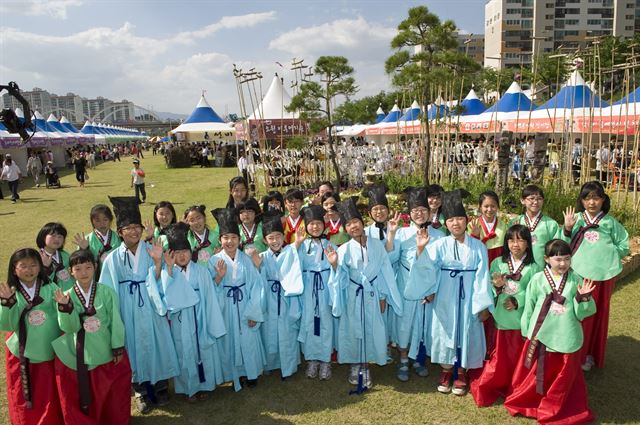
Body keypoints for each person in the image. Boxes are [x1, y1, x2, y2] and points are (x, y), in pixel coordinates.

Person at [407, 189, 493, 397]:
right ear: (446, 223)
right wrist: (420, 250)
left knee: (467, 329)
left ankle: (461, 371)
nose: (456, 224)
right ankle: (446, 371)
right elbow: (428, 268)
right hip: (445, 296)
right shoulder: (439, 244)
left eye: (460, 219)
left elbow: (483, 276)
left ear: (467, 221)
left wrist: (482, 305)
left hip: (469, 297)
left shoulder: (478, 246)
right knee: (444, 330)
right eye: (452, 220)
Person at [99, 197, 179, 414]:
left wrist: (157, 262)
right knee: (131, 346)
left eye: (137, 227)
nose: (134, 232)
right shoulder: (112, 258)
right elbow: (106, 290)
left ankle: (161, 386)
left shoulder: (153, 248)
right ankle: (139, 391)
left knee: (157, 342)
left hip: (151, 304)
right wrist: (114, 316)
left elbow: (164, 278)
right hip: (127, 307)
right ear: (120, 232)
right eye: (128, 228)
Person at [504, 239, 596, 424]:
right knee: (539, 372)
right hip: (542, 334)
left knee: (564, 375)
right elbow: (529, 306)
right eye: (558, 259)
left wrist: (583, 297)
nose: (562, 264)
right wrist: (527, 330)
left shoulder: (576, 279)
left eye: (567, 259)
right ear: (546, 259)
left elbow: (582, 313)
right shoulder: (538, 278)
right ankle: (535, 400)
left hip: (566, 333)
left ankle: (559, 404)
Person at [327, 197, 403, 391]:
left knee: (372, 328)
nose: (354, 226)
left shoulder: (377, 245)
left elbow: (385, 270)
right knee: (354, 329)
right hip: (354, 294)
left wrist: (383, 296)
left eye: (356, 222)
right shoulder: (343, 249)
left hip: (373, 293)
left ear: (363, 223)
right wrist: (335, 264)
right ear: (346, 228)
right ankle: (355, 364)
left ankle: (367, 364)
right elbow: (340, 277)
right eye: (349, 224)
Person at [52, 249, 132, 424]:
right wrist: (66, 308)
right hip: (81, 351)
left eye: (88, 267)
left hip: (104, 348)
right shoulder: (67, 296)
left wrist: (117, 346)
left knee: (109, 391)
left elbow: (116, 321)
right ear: (71, 271)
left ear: (95, 267)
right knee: (86, 391)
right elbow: (69, 326)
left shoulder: (107, 292)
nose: (84, 273)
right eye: (78, 269)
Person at [561, 181, 629, 371]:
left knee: (597, 314)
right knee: (576, 313)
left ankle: (589, 354)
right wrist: (567, 228)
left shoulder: (610, 223)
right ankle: (572, 351)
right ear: (581, 201)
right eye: (588, 198)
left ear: (603, 200)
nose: (592, 202)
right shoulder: (575, 219)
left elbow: (624, 246)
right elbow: (562, 246)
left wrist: (607, 255)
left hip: (603, 277)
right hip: (578, 274)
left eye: (596, 198)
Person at [470, 225, 540, 407]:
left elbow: (536, 293)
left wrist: (518, 301)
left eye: (521, 240)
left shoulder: (534, 267)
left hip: (520, 318)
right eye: (511, 240)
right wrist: (498, 286)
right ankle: (496, 382)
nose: (515, 244)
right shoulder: (498, 263)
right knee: (500, 355)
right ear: (506, 242)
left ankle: (516, 384)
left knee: (518, 354)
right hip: (501, 316)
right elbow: (488, 287)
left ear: (528, 243)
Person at [159, 223, 226, 402]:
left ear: (191, 252)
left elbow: (210, 295)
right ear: (171, 254)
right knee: (183, 350)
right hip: (180, 319)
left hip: (199, 315)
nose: (182, 256)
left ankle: (204, 384)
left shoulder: (201, 271)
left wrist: (210, 318)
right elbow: (164, 295)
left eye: (185, 251)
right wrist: (170, 270)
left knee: (203, 349)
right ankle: (188, 388)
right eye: (177, 252)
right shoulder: (168, 272)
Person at [0, 248, 64, 425]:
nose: (29, 270)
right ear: (14, 269)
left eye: (33, 265)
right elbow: (6, 325)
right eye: (23, 266)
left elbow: (63, 315)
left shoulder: (50, 287)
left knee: (49, 391)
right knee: (27, 394)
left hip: (49, 348)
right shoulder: (12, 292)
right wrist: (7, 304)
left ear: (40, 267)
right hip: (23, 352)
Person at [207, 208, 265, 391]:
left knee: (248, 339)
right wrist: (219, 277)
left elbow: (256, 286)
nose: (229, 241)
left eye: (233, 237)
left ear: (239, 240)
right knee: (229, 339)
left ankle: (251, 373)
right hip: (225, 306)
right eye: (225, 237)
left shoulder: (246, 259)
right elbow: (210, 289)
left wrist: (253, 311)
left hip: (245, 305)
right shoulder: (213, 260)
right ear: (220, 240)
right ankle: (234, 374)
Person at [393, 186, 444, 382]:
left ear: (430, 212)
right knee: (404, 325)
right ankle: (404, 359)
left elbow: (440, 266)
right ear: (410, 214)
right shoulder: (401, 234)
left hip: (427, 289)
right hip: (405, 287)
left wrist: (433, 290)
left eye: (423, 210)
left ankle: (418, 359)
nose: (419, 214)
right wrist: (390, 236)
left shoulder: (439, 236)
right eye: (415, 211)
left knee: (422, 325)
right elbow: (391, 259)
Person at [253, 212, 304, 379]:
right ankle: (270, 364)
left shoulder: (290, 251)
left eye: (278, 236)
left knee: (287, 331)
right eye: (270, 238)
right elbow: (258, 281)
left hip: (285, 297)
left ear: (283, 237)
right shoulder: (262, 256)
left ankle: (288, 366)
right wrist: (259, 268)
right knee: (269, 331)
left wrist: (297, 242)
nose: (274, 241)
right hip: (268, 298)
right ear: (265, 240)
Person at [297, 205, 338, 380]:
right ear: (306, 226)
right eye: (311, 224)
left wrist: (334, 264)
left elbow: (339, 270)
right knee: (309, 323)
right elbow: (293, 267)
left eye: (318, 223)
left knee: (326, 323)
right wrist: (297, 244)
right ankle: (312, 359)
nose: (315, 227)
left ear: (324, 224)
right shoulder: (301, 246)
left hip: (325, 289)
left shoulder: (330, 244)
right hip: (308, 290)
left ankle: (326, 360)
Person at [509, 185, 561, 268]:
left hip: (542, 269)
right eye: (531, 198)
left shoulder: (551, 224)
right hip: (518, 269)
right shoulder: (515, 222)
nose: (536, 202)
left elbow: (556, 249)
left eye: (539, 199)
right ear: (522, 200)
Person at [73, 204, 122, 278]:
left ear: (110, 220)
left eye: (105, 220)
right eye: (97, 220)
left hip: (116, 277)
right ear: (92, 222)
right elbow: (79, 264)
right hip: (94, 280)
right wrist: (84, 249)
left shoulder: (119, 238)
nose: (102, 224)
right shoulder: (86, 240)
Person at [36, 222, 75, 291]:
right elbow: (38, 283)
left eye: (60, 236)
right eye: (53, 235)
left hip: (71, 293)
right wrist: (46, 268)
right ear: (43, 237)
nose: (57, 239)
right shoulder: (37, 258)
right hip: (53, 297)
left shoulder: (65, 255)